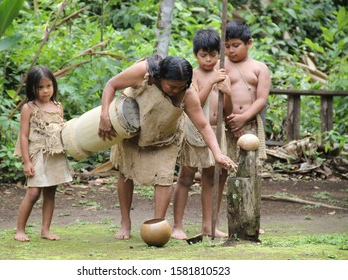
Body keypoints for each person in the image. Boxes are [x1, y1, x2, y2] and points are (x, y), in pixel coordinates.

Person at [98, 55, 237, 240]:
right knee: (126, 172)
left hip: (166, 136)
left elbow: (203, 126)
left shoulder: (188, 95)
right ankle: (125, 223)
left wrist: (218, 153)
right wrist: (104, 115)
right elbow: (111, 85)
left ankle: (157, 225)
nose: (175, 90)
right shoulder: (143, 72)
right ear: (160, 77)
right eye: (171, 86)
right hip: (133, 127)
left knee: (164, 177)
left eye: (181, 86)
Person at [172, 29, 232, 240]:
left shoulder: (224, 74)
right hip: (195, 130)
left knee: (211, 179)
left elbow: (229, 109)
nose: (208, 59)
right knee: (186, 177)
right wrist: (211, 81)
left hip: (217, 131)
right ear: (196, 54)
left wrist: (227, 91)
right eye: (203, 55)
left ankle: (209, 225)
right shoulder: (193, 75)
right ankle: (177, 226)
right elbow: (195, 101)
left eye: (213, 55)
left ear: (219, 53)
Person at [14, 66, 73, 242]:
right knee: (33, 193)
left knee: (50, 193)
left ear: (54, 86)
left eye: (49, 86)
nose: (45, 90)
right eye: (40, 87)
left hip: (54, 155)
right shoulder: (29, 108)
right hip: (37, 155)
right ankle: (20, 230)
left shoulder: (58, 107)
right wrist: (26, 162)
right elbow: (24, 136)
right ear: (32, 88)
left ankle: (45, 229)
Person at [224, 20, 271, 234]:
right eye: (227, 46)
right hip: (226, 125)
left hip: (249, 124)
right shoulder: (220, 66)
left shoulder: (260, 68)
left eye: (236, 45)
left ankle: (252, 218)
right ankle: (218, 222)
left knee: (250, 171)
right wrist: (232, 121)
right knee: (224, 171)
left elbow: (262, 99)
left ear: (249, 43)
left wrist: (243, 118)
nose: (231, 50)